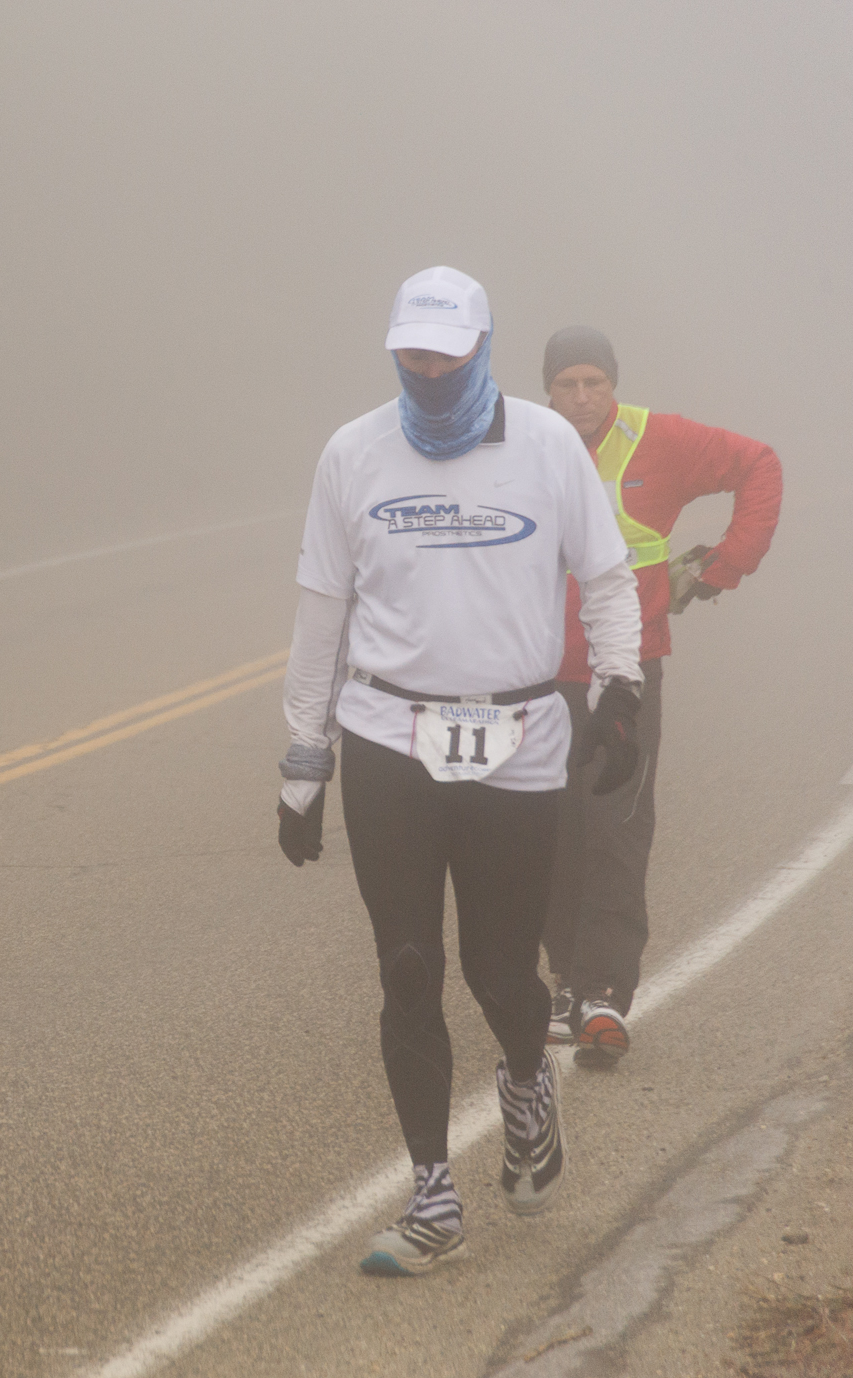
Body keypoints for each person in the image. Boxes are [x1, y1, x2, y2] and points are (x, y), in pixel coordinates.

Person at [275, 268, 646, 1278]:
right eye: (412, 354)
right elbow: (319, 613)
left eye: (445, 352)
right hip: (389, 734)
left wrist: (619, 691)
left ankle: (527, 1078)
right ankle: (432, 1195)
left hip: (517, 738)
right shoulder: (353, 453)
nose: (428, 370)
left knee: (498, 973)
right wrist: (303, 761)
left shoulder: (545, 445)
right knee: (405, 970)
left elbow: (605, 578)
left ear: (481, 344)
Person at [537, 326, 783, 1062]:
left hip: (628, 673)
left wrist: (725, 564)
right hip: (536, 677)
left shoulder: (660, 439)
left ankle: (603, 997)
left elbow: (758, 464)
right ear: (545, 389)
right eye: (566, 385)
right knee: (552, 834)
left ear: (613, 384)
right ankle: (563, 981)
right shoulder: (524, 446)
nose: (581, 399)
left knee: (615, 828)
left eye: (594, 383)